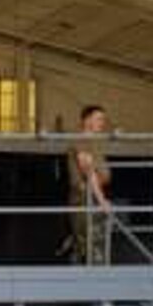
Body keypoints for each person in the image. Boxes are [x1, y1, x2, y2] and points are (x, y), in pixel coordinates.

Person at [68, 103, 112, 265]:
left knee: (94, 242)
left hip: (94, 194)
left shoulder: (94, 142)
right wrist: (102, 201)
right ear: (87, 121)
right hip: (86, 197)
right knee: (90, 245)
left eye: (103, 119)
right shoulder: (81, 140)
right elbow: (88, 172)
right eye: (99, 119)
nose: (102, 123)